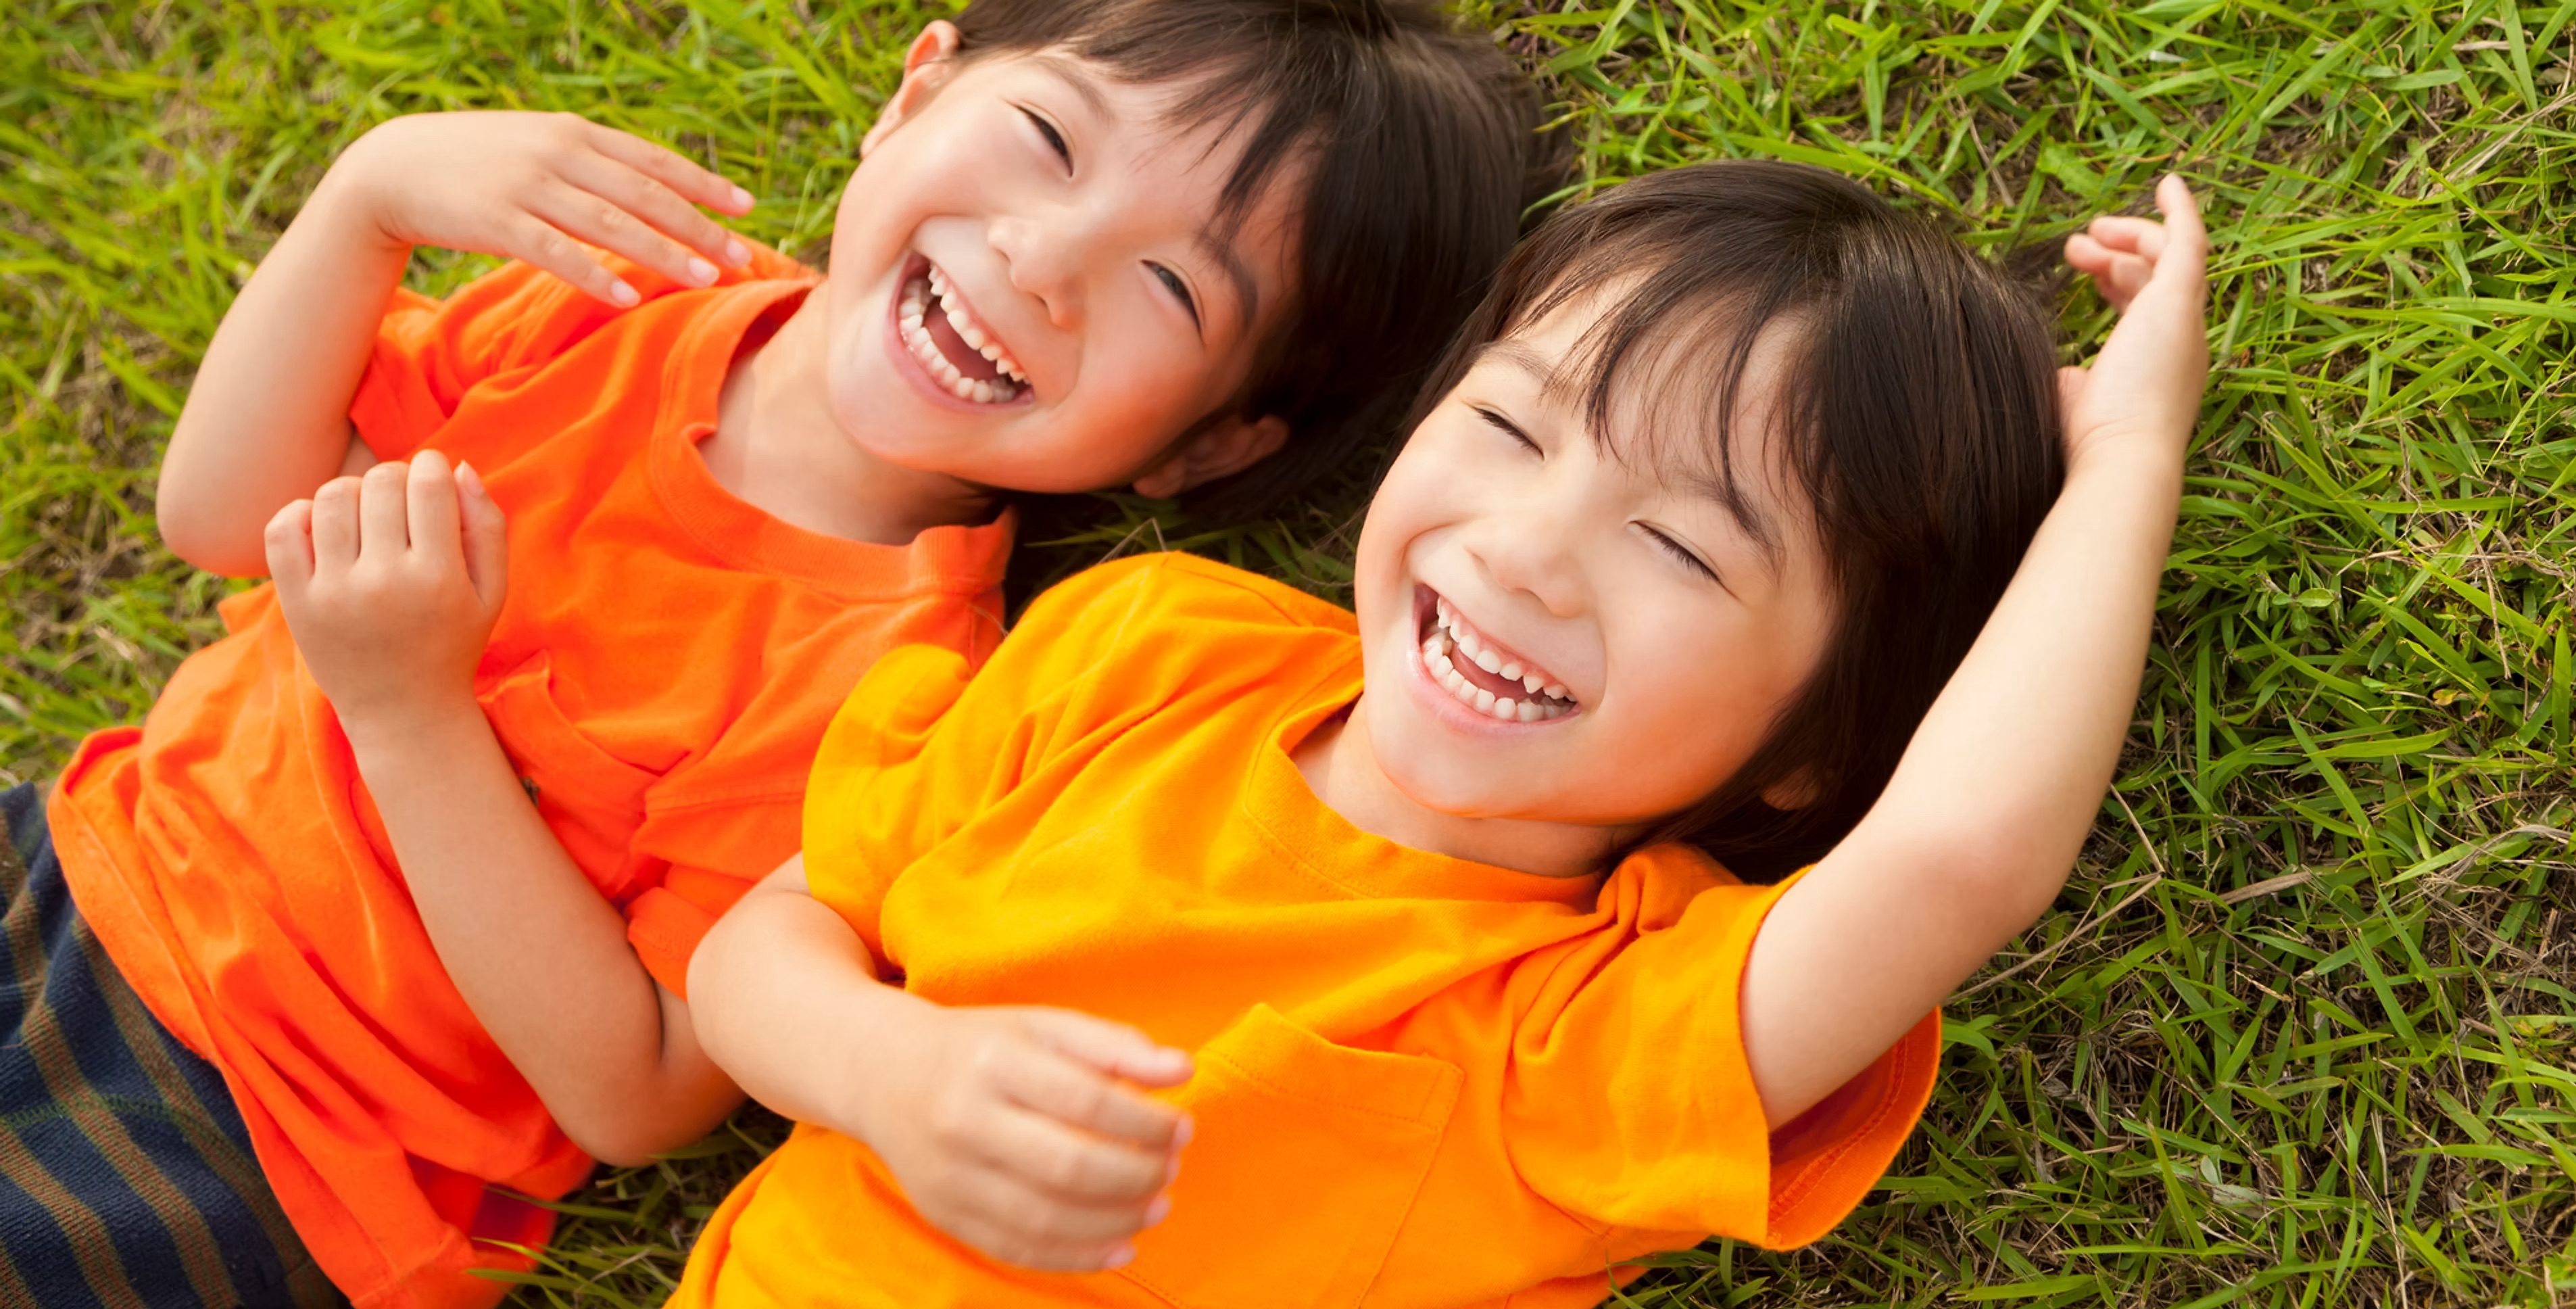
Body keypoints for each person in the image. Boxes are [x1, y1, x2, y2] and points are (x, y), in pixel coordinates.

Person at [11, 3, 1547, 1304]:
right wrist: (365, 201)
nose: (1040, 257)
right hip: (70, 859)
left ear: (1206, 442)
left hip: (266, 1139)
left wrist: (409, 710)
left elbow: (634, 1086)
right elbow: (226, 514)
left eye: (1168, 286)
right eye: (1050, 142)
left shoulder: (896, 681)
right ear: (918, 88)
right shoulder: (609, 301)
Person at [674, 160, 2210, 1306]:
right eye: (1508, 426)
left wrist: (2129, 454)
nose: (1526, 549)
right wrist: (884, 1070)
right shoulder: (1142, 646)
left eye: (1680, 549)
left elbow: (1957, 854)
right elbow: (769, 940)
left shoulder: (1577, 1032)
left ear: (1813, 749)